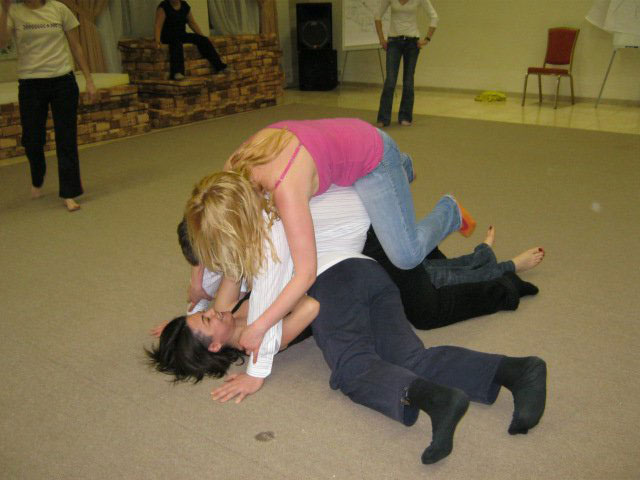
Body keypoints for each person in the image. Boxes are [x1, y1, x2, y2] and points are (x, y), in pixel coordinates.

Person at [150, 185, 547, 465]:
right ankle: (516, 371)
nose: (214, 312)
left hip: (334, 280)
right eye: (207, 321)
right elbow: (299, 304)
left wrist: (192, 306)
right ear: (214, 346)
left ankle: (437, 401)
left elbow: (291, 296)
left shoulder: (236, 316)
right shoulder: (258, 339)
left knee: (353, 369)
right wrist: (259, 339)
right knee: (412, 358)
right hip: (364, 273)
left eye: (205, 313)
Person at [185, 118, 476, 360]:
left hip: (371, 158)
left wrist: (259, 327)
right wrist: (197, 282)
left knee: (406, 255)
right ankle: (402, 169)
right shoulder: (230, 173)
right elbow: (209, 229)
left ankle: (448, 210)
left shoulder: (285, 190)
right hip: (335, 145)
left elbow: (306, 274)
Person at [0, 0, 98, 212]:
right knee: (32, 139)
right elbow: (2, 42)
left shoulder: (59, 9)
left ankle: (69, 192)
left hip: (62, 80)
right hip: (30, 84)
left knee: (66, 138)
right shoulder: (14, 12)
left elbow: (76, 46)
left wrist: (89, 80)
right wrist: (4, 10)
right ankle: (38, 174)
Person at [375, 0, 438, 127]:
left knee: (408, 80)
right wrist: (381, 39)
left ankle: (405, 116)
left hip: (412, 43)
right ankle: (383, 118)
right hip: (394, 42)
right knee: (390, 80)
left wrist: (427, 39)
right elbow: (377, 16)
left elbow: (434, 17)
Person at [154, 0, 227, 81]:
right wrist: (157, 41)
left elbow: (192, 23)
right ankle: (177, 72)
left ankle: (220, 66)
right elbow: (158, 25)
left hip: (181, 34)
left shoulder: (184, 6)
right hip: (168, 36)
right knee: (176, 42)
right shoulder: (164, 6)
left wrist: (202, 36)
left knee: (202, 40)